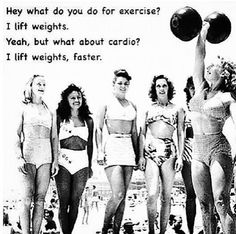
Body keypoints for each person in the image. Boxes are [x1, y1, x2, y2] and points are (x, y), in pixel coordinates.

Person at [190, 22, 236, 233]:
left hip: (219, 148)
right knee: (204, 207)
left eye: (214, 65)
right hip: (198, 152)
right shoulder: (199, 87)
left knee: (221, 202)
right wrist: (203, 33)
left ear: (224, 73)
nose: (209, 67)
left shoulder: (227, 98)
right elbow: (200, 56)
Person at [138, 75, 184, 234]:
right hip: (150, 151)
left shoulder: (177, 109)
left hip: (169, 151)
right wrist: (140, 156)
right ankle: (151, 230)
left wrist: (180, 156)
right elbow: (142, 133)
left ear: (168, 88)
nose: (161, 88)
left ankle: (162, 232)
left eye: (164, 85)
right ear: (154, 89)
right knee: (152, 194)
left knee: (166, 195)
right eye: (158, 86)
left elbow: (180, 133)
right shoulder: (148, 108)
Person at [96, 69, 138, 234]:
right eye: (119, 83)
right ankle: (105, 228)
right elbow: (98, 129)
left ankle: (116, 231)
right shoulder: (106, 104)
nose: (123, 86)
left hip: (128, 148)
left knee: (123, 197)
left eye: (126, 83)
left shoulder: (132, 105)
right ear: (113, 84)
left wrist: (138, 155)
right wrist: (99, 151)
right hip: (112, 146)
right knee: (118, 193)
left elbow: (135, 133)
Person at [15, 75, 59, 234]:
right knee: (26, 199)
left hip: (45, 157)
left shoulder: (50, 110)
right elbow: (16, 134)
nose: (42, 86)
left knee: (40, 200)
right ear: (31, 86)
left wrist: (55, 161)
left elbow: (54, 137)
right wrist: (19, 157)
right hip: (28, 155)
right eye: (38, 83)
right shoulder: (23, 108)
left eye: (44, 84)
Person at [55, 84, 94, 234]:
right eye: (72, 97)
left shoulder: (88, 120)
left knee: (75, 201)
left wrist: (90, 166)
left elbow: (90, 145)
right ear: (66, 100)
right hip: (63, 161)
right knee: (63, 202)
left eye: (79, 97)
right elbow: (54, 141)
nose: (76, 100)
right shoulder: (59, 118)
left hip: (82, 162)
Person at [182, 76, 197, 234]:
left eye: (196, 86)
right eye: (191, 87)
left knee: (210, 196)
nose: (194, 90)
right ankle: (191, 231)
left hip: (206, 153)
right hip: (188, 157)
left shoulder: (209, 106)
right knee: (191, 195)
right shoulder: (184, 112)